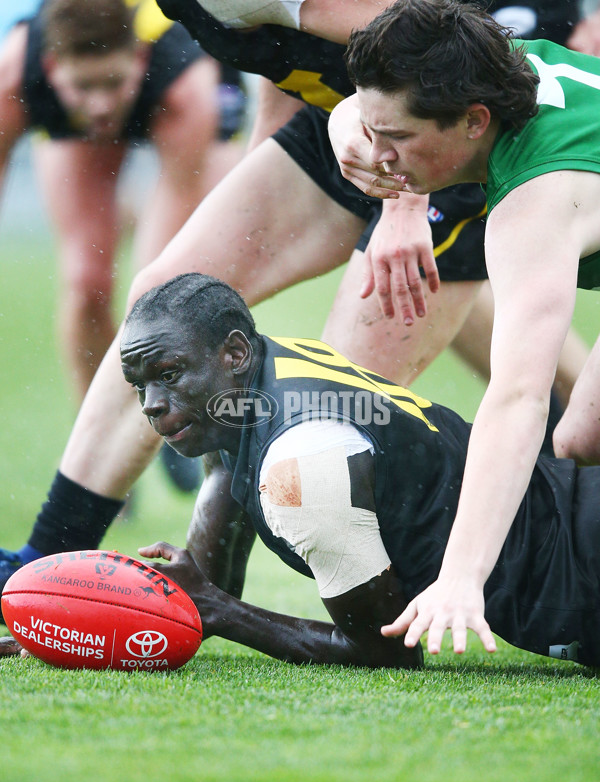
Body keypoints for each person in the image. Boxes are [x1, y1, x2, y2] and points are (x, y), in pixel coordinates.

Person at [0, 0, 589, 589]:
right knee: (164, 302)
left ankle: (493, 569)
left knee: (321, 414)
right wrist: (261, 167)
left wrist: (405, 202)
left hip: (427, 143)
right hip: (356, 123)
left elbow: (402, 44)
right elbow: (284, 57)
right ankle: (46, 559)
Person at [10, 272, 599, 667]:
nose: (151, 405)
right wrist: (70, 624)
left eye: (168, 374)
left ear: (234, 353)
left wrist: (222, 614)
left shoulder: (303, 464)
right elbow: (201, 585)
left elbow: (384, 650)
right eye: (140, 386)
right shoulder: (250, 386)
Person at [326, 0, 600, 657]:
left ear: (475, 122)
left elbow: (519, 395)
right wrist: (346, 127)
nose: (379, 153)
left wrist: (460, 577)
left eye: (395, 139)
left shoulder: (532, 208)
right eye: (373, 129)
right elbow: (355, 113)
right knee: (583, 436)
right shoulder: (494, 70)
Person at [0, 0, 247, 491]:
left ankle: (165, 425)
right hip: (76, 128)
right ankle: (90, 447)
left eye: (112, 83)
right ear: (52, 69)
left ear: (136, 60)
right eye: (83, 86)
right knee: (87, 282)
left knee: (158, 295)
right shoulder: (13, 78)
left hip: (188, 108)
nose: (99, 104)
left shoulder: (186, 85)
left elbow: (159, 285)